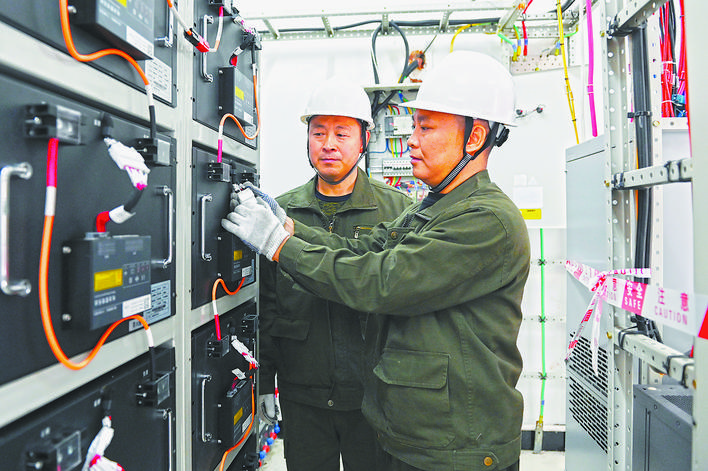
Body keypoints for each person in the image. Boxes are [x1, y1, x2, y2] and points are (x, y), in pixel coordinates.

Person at [223, 51, 530, 471]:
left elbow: (381, 281)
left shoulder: (485, 220)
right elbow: (364, 250)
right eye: (414, 126)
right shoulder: (431, 208)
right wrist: (288, 228)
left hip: (458, 448)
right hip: (414, 433)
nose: (412, 140)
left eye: (425, 127)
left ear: (474, 137)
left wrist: (279, 244)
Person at [255, 77, 411, 471]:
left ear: (363, 141)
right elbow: (266, 308)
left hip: (373, 397)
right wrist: (263, 383)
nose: (329, 144)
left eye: (342, 133)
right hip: (302, 397)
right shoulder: (281, 214)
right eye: (319, 132)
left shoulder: (397, 212)